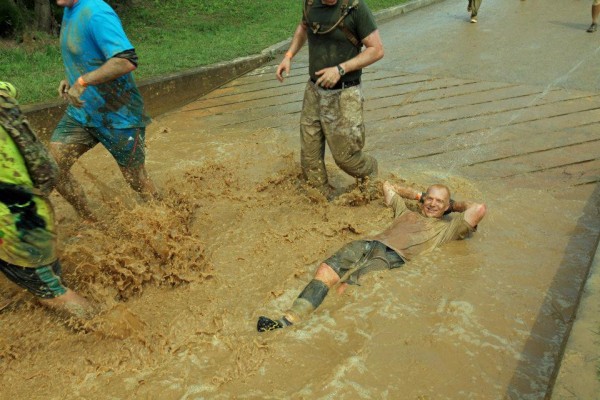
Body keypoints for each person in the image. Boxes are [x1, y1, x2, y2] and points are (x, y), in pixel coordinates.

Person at [257, 180, 487, 332]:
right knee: (325, 271)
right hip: (369, 244)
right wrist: (419, 195)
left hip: (391, 258)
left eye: (439, 201)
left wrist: (452, 206)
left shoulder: (448, 229)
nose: (433, 204)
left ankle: (315, 331)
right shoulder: (405, 211)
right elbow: (388, 186)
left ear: (448, 206)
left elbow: (478, 209)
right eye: (430, 199)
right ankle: (286, 321)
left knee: (346, 289)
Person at [51, 0, 159, 221]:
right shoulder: (69, 10)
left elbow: (126, 60)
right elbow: (86, 54)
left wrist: (82, 81)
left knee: (137, 181)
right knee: (52, 169)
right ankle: (91, 222)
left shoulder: (97, 13)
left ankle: (172, 226)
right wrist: (70, 79)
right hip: (82, 114)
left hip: (120, 116)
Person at [275, 0, 384, 200]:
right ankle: (322, 202)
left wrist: (340, 69)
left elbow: (376, 49)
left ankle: (369, 171)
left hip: (344, 94)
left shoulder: (356, 8)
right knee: (310, 158)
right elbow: (303, 27)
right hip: (314, 91)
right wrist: (288, 55)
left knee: (346, 158)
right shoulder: (310, 3)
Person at [0, 81, 92, 318]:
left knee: (53, 293)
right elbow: (10, 87)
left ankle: (112, 329)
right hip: (30, 204)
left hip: (17, 223)